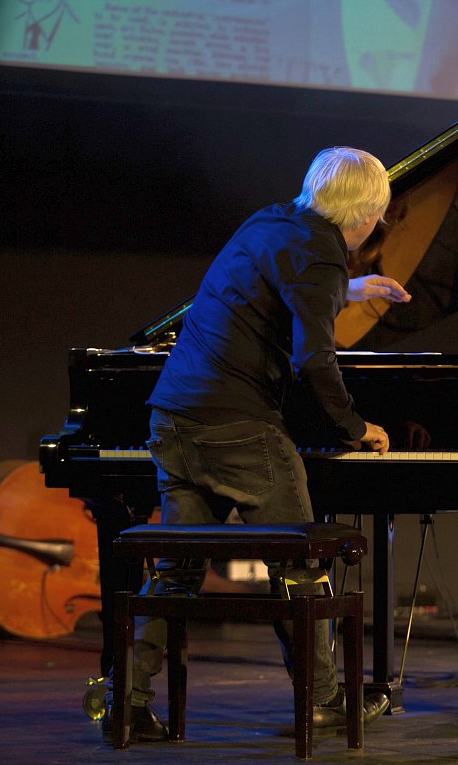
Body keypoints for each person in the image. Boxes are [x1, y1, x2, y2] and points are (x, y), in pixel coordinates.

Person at [108, 147, 410, 743]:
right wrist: (355, 427)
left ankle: (129, 701)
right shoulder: (323, 251)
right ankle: (324, 701)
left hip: (173, 418)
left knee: (177, 570)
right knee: (300, 568)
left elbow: (276, 279)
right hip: (237, 425)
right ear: (371, 213)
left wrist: (344, 291)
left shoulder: (272, 221)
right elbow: (315, 363)